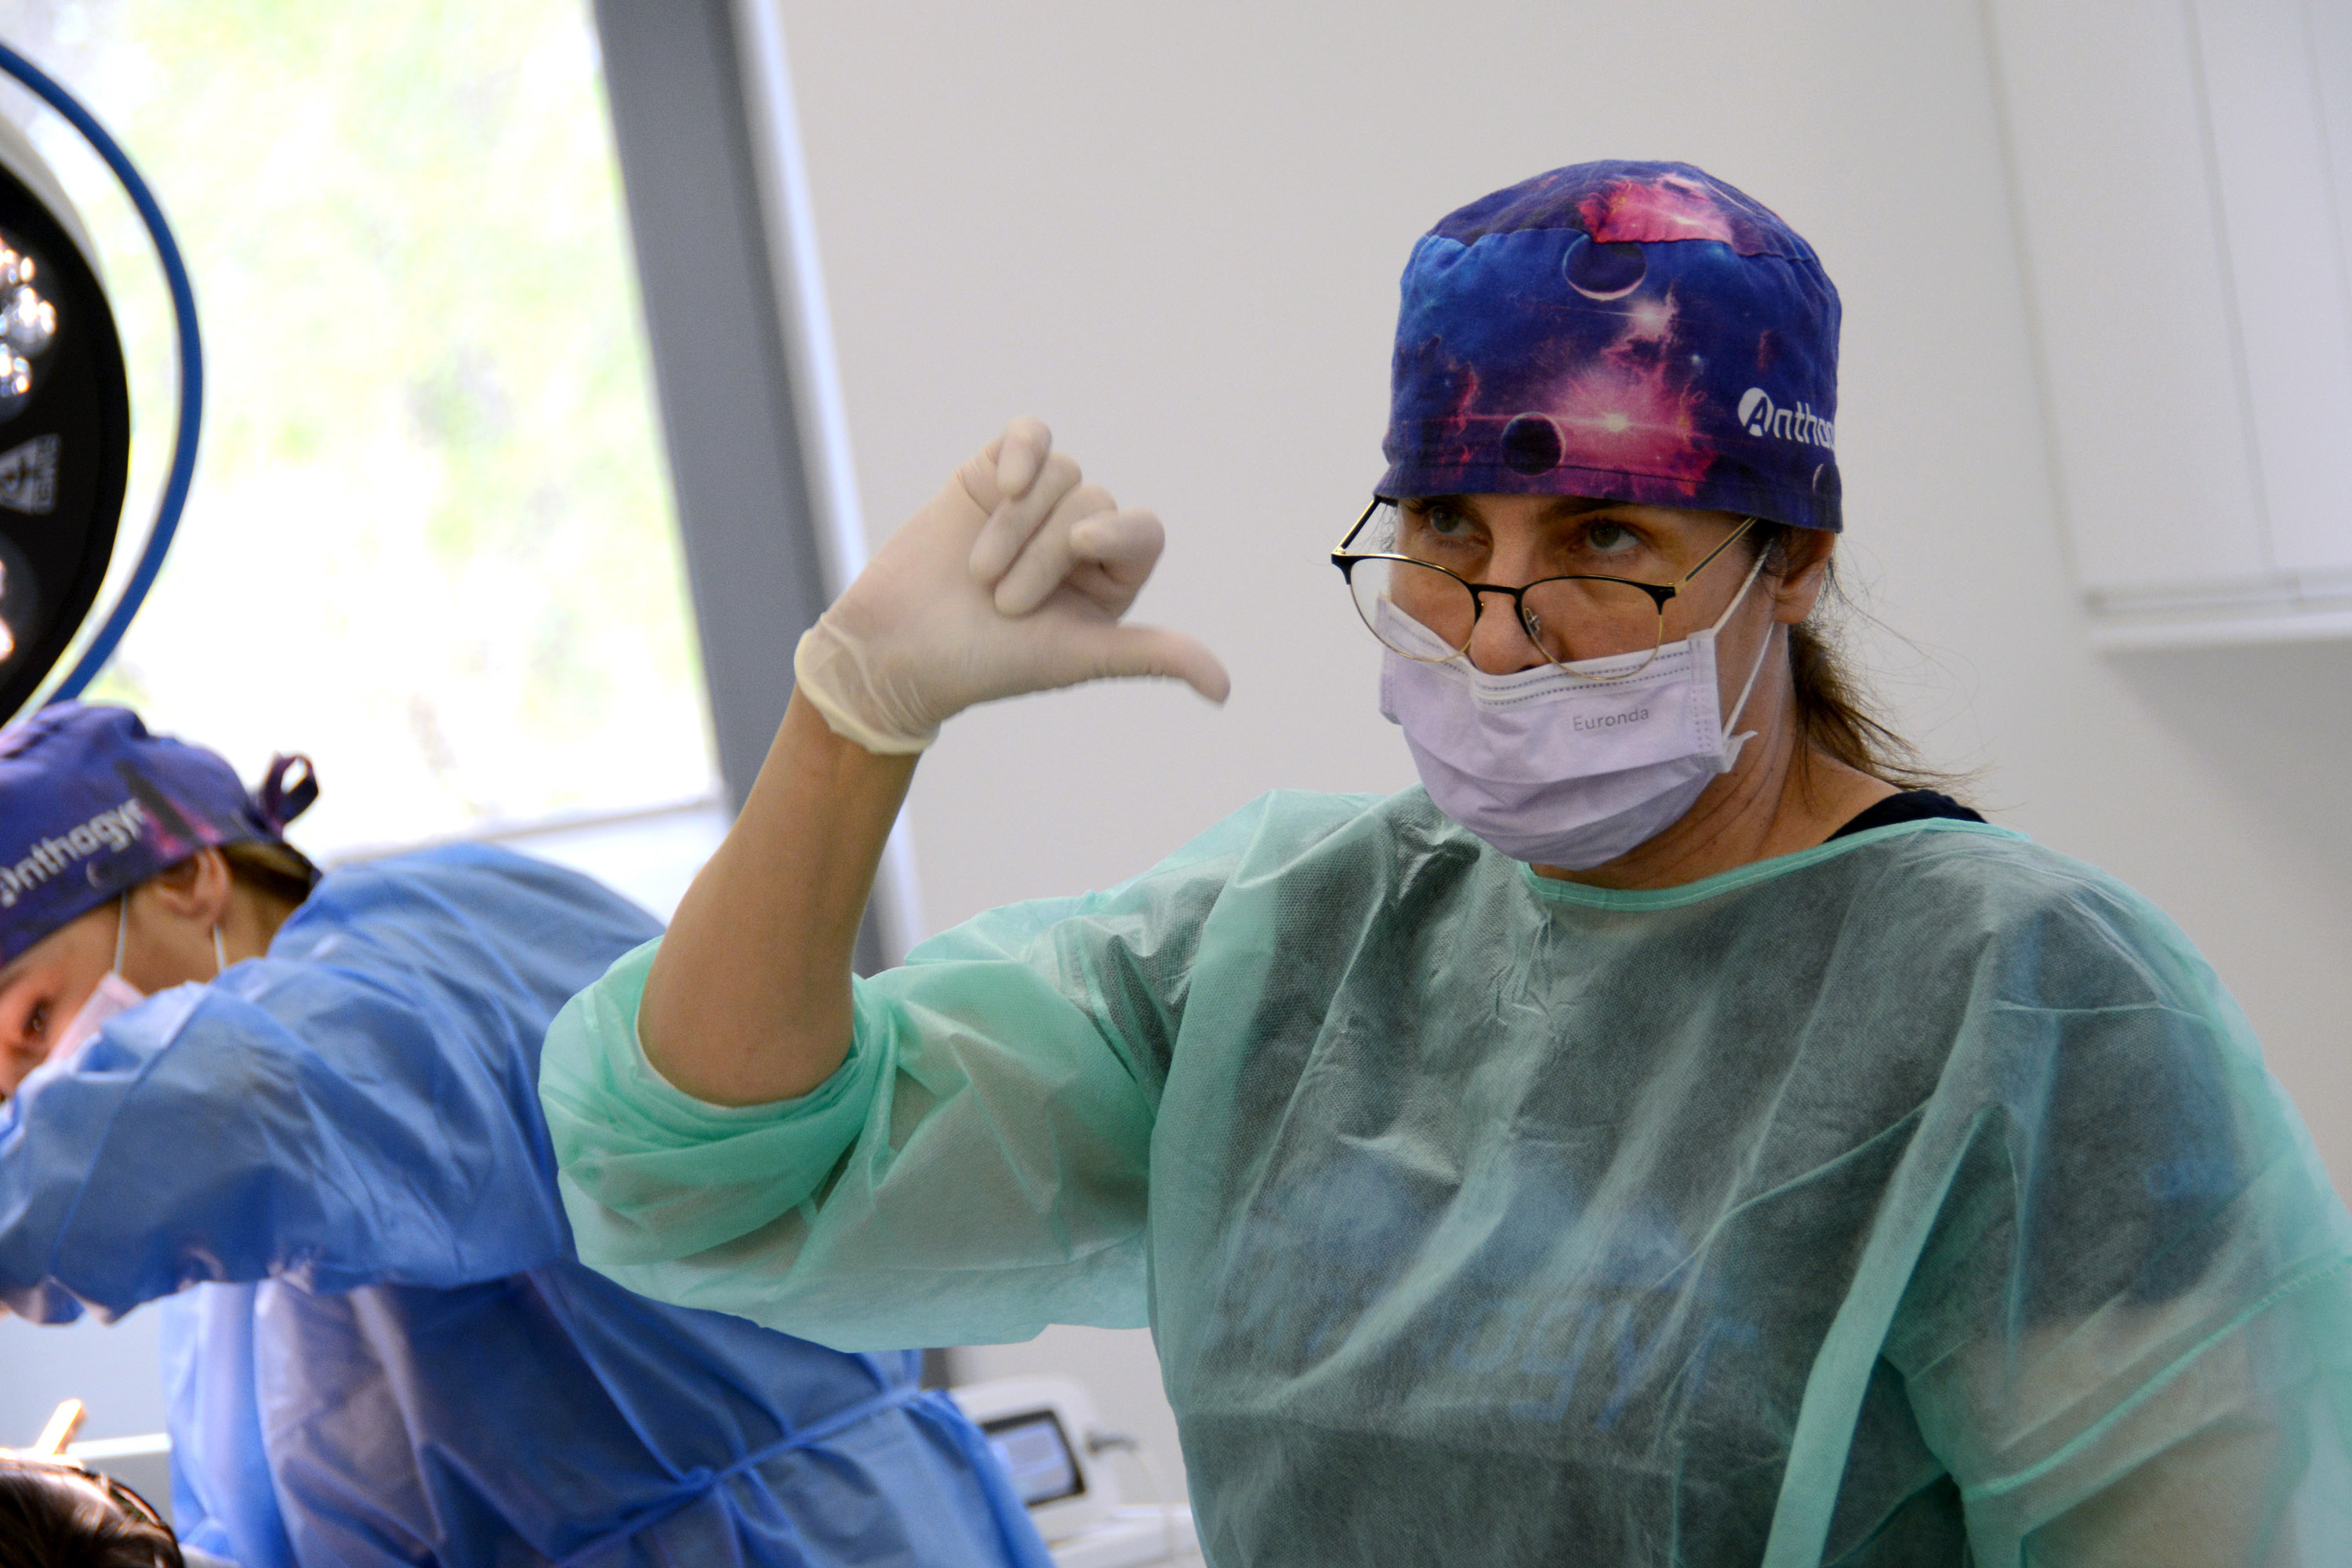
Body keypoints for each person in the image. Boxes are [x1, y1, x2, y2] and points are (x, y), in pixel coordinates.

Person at [539, 162, 2352, 1566]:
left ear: (1792, 560)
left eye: (1604, 537)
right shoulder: (1291, 952)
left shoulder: (2029, 1007)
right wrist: (855, 717)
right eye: (1445, 531)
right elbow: (707, 1166)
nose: (1494, 627)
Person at [0, 704, 1051, 1568]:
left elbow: (228, 1105)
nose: (44, 1085)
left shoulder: (434, 964)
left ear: (186, 877)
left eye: (35, 1020)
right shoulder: (237, 1263)